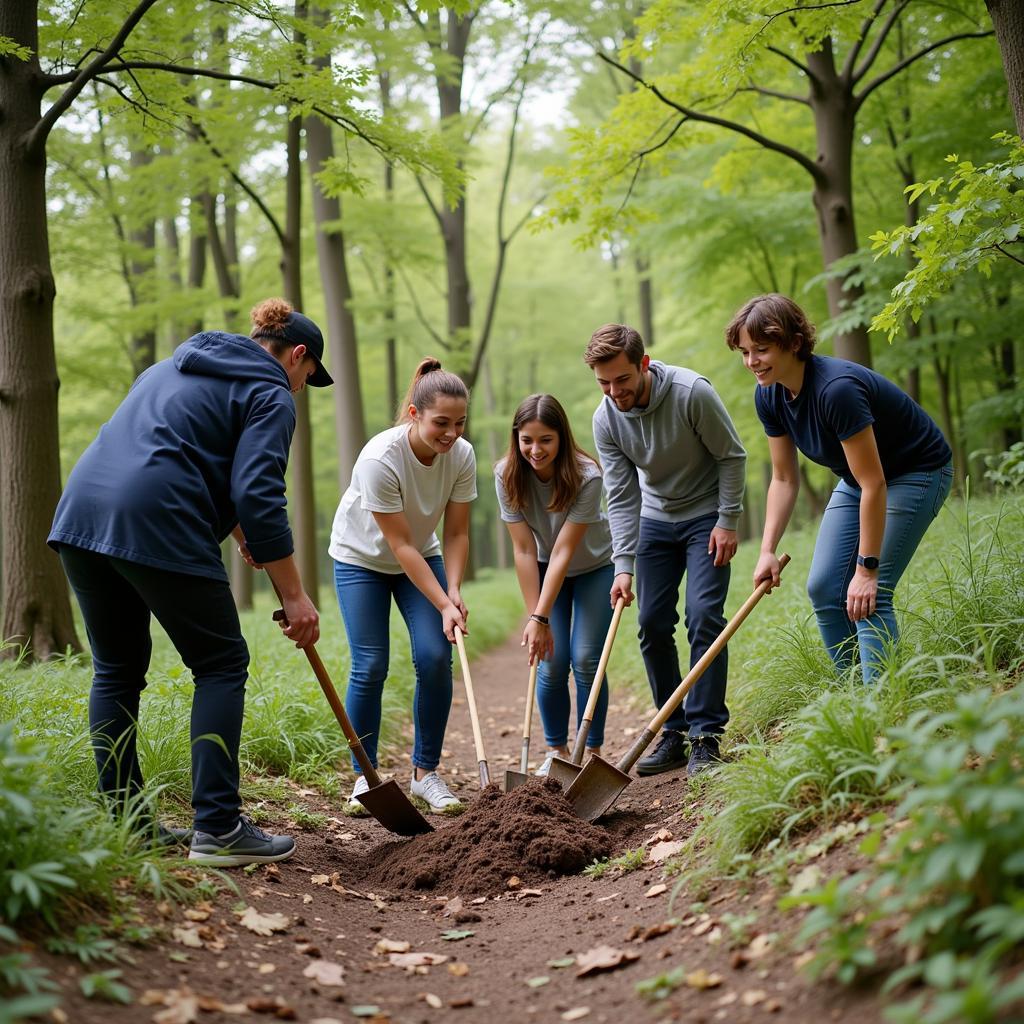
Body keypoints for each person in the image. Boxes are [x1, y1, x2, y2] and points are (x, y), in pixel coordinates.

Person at [48, 298, 328, 866]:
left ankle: (130, 822)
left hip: (81, 514)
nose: (300, 388)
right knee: (221, 663)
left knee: (117, 670)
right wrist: (295, 594)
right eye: (306, 377)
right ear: (296, 355)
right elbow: (259, 492)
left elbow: (179, 447)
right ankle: (219, 828)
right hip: (157, 520)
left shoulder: (170, 368)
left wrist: (237, 529)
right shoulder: (270, 391)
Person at [726, 293, 953, 681]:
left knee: (870, 594)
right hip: (860, 481)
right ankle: (855, 698)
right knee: (824, 589)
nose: (752, 362)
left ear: (794, 343)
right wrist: (766, 550)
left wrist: (866, 569)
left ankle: (883, 706)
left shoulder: (837, 390)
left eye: (761, 350)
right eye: (745, 352)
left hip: (916, 472)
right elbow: (783, 478)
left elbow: (875, 482)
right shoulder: (769, 395)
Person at [583, 324, 747, 776]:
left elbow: (732, 457)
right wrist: (623, 565)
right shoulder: (606, 418)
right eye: (604, 383)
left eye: (622, 380)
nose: (614, 391)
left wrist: (727, 520)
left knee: (703, 616)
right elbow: (620, 495)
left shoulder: (691, 393)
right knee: (652, 623)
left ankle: (706, 736)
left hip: (706, 516)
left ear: (644, 364)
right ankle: (672, 731)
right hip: (655, 520)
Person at [329, 358, 475, 814]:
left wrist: (452, 590)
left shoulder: (462, 456)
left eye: (459, 423)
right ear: (414, 414)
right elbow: (399, 545)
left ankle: (425, 774)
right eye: (440, 423)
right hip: (361, 560)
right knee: (370, 665)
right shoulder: (380, 458)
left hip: (422, 553)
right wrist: (442, 601)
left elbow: (455, 533)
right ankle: (365, 778)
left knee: (435, 656)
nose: (450, 434)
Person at [495, 394, 615, 776]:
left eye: (545, 439)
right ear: (516, 438)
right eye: (526, 440)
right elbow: (524, 548)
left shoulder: (587, 475)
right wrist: (538, 619)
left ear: (561, 437)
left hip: (595, 565)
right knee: (549, 659)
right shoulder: (506, 475)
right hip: (544, 568)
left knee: (585, 659)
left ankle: (590, 751)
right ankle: (557, 750)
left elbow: (565, 548)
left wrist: (540, 615)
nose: (535, 449)